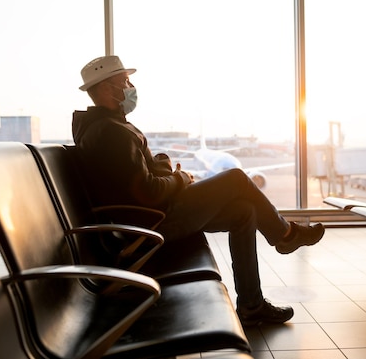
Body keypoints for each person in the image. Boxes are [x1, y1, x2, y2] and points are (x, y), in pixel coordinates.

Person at [72, 55, 325, 326]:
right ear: (106, 89)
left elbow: (133, 180)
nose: (131, 86)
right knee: (237, 179)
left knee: (244, 211)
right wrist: (180, 178)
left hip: (148, 217)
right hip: (152, 225)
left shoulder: (106, 126)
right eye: (125, 81)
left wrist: (161, 165)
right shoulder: (111, 132)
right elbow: (149, 192)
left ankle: (252, 305)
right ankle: (284, 234)